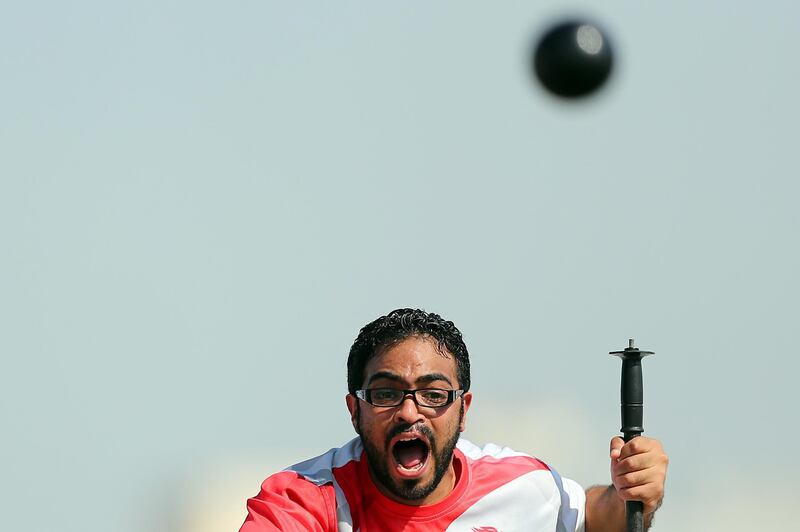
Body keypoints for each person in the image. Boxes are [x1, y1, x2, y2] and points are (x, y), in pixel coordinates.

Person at [239, 308, 668, 531]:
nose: (410, 412)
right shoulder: (303, 499)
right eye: (386, 393)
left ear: (463, 411)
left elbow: (599, 518)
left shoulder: (523, 486)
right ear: (355, 411)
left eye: (433, 394)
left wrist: (633, 490)